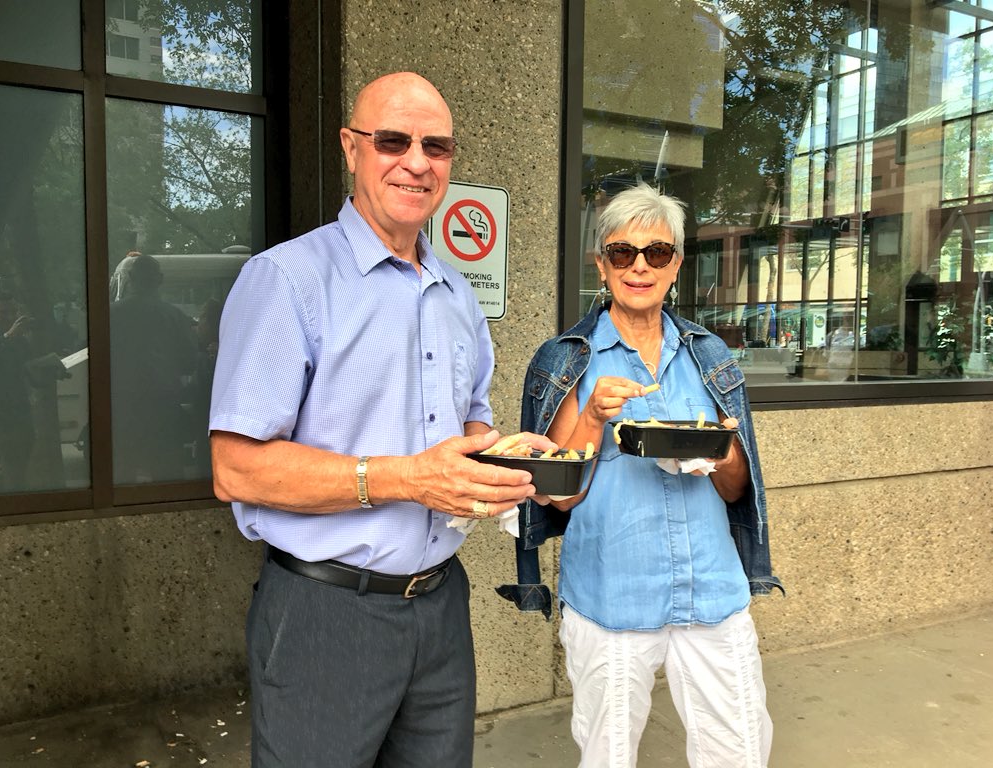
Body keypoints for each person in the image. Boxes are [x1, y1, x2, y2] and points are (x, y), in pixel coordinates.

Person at [208, 71, 553, 768]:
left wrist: (508, 457)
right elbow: (235, 468)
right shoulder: (287, 281)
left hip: (440, 609)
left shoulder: (458, 295)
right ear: (350, 147)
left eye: (437, 145)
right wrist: (408, 479)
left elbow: (467, 430)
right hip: (325, 612)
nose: (417, 161)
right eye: (393, 140)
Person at [503, 182, 782, 768]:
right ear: (601, 264)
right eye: (622, 253)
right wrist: (593, 416)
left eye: (655, 253)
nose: (639, 267)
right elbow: (558, 498)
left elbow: (736, 489)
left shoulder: (712, 359)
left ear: (675, 265)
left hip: (711, 588)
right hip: (612, 596)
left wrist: (718, 450)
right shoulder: (564, 360)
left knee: (741, 753)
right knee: (607, 757)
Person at [109, 253, 200, 483]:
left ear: (130, 277)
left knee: (123, 471)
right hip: (163, 405)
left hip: (122, 405)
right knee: (167, 473)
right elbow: (190, 361)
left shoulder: (111, 315)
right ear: (159, 280)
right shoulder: (174, 316)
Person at [0, 291, 35, 492]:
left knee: (16, 465)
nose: (10, 317)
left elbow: (28, 370)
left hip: (21, 408)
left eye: (13, 312)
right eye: (3, 313)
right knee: (12, 464)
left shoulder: (21, 341)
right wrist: (7, 337)